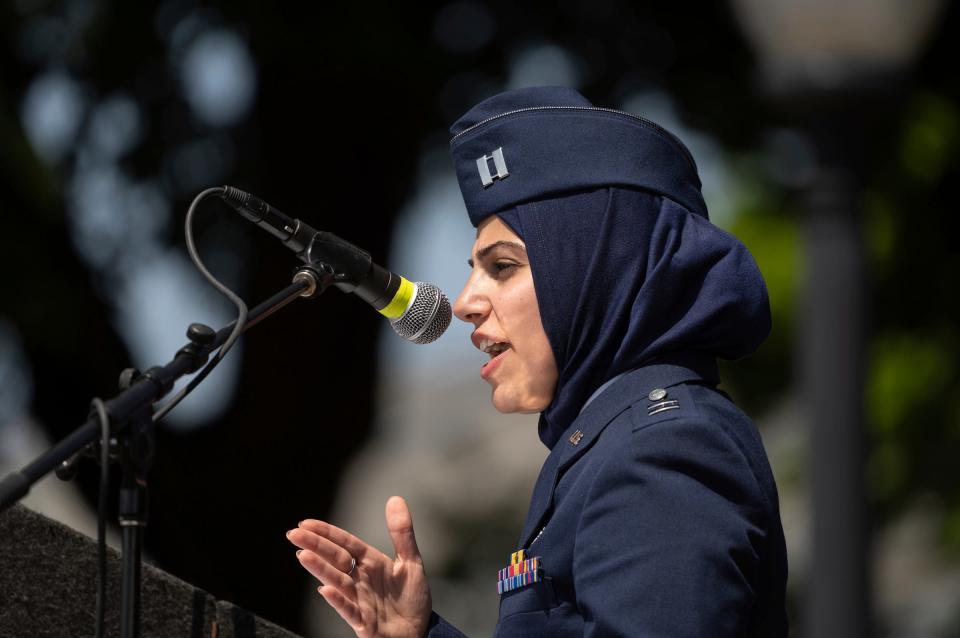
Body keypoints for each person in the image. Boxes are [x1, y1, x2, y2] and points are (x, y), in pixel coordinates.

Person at [286, 86, 789, 637]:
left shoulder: (664, 450)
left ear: (597, 274)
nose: (465, 303)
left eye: (502, 266)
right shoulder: (616, 442)